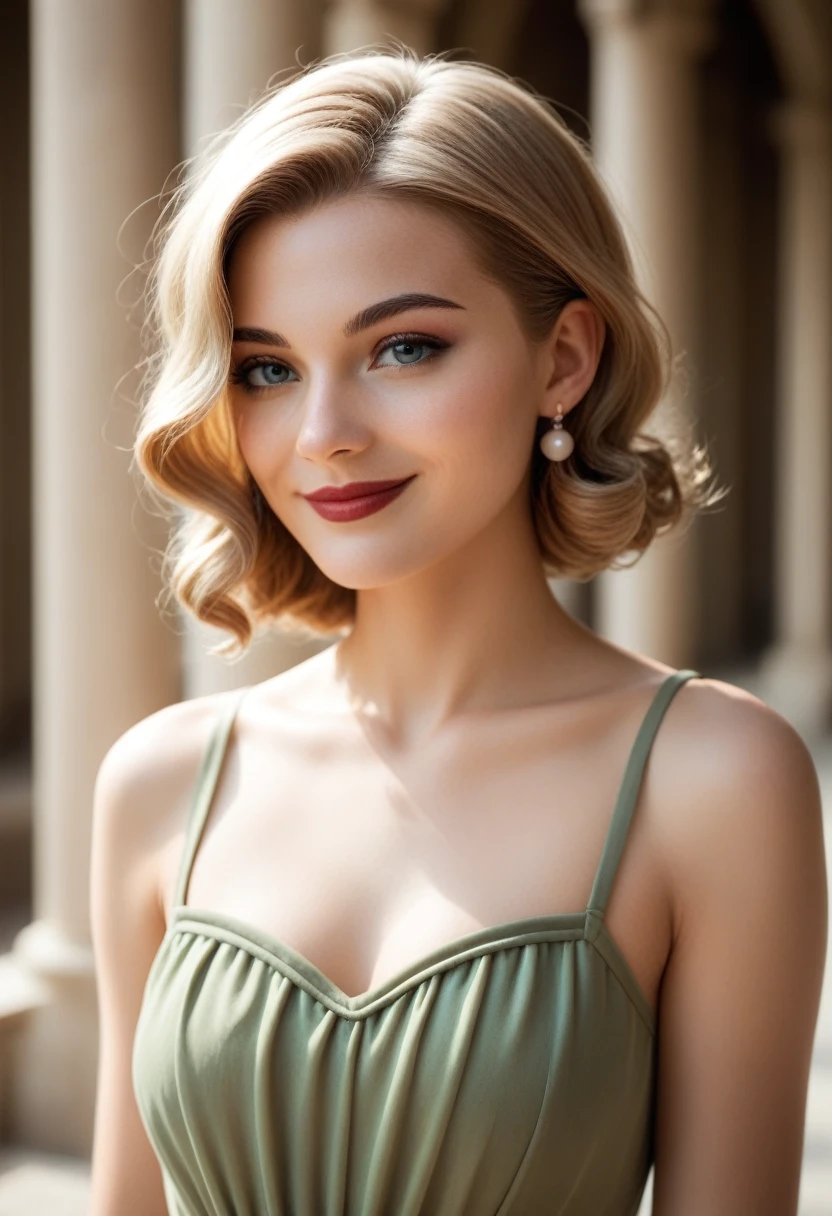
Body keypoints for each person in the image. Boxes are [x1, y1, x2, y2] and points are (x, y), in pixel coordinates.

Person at [88, 46, 827, 1216]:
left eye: (402, 348)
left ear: (564, 358)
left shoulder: (718, 779)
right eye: (267, 368)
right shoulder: (161, 782)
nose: (322, 432)